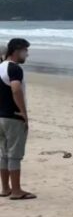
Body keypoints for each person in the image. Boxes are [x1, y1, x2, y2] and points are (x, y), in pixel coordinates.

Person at [0, 38, 35, 200]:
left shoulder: (0, 67)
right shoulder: (14, 69)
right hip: (12, 116)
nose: (27, 55)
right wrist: (23, 113)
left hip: (1, 116)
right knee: (14, 154)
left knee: (4, 153)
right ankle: (16, 190)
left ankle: (5, 188)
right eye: (25, 51)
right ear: (16, 51)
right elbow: (16, 89)